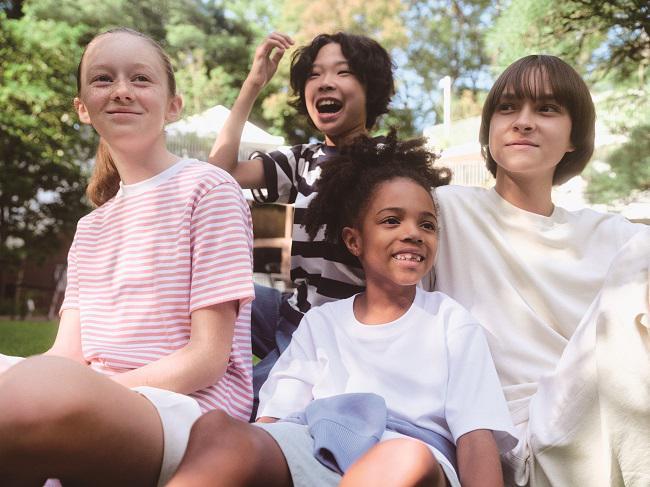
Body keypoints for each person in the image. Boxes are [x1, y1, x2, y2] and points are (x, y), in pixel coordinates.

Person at [168, 133, 518, 487]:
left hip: (412, 458)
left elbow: (476, 438)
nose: (413, 233)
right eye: (391, 221)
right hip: (317, 446)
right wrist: (251, 454)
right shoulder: (321, 324)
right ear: (354, 241)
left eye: (426, 224)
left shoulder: (450, 322)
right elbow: (274, 422)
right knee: (217, 429)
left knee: (402, 457)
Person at [0, 27, 254, 486]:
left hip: (191, 412)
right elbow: (66, 352)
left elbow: (207, 357)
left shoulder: (210, 189)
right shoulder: (91, 227)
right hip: (96, 399)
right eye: (102, 79)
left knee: (33, 393)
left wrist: (90, 393)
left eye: (140, 78)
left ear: (172, 105)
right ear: (82, 108)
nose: (121, 91)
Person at [422, 54, 649, 486]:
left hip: (599, 431)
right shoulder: (445, 210)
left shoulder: (613, 236)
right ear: (489, 130)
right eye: (507, 108)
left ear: (573, 139)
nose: (522, 122)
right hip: (509, 443)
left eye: (546, 109)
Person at [208, 31, 395, 409]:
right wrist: (253, 83)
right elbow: (219, 172)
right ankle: (191, 361)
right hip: (292, 309)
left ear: (369, 89)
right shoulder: (301, 161)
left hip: (330, 334)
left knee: (240, 409)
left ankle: (244, 395)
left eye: (342, 72)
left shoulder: (389, 166)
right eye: (314, 74)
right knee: (212, 293)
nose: (325, 82)